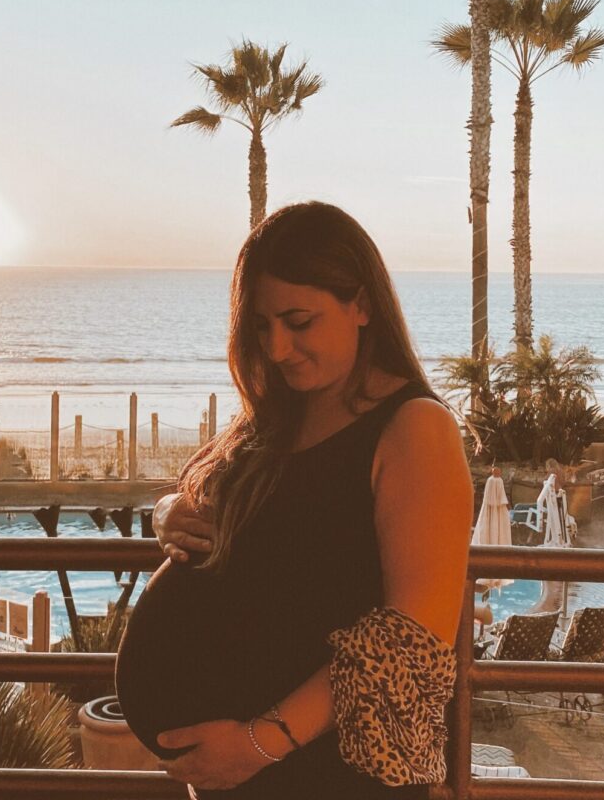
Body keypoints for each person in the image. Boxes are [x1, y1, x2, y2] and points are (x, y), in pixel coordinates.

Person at [115, 202, 473, 799]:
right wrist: (168, 513)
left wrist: (257, 744)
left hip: (326, 775)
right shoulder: (278, 419)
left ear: (361, 305)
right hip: (248, 773)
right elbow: (239, 521)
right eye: (261, 325)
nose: (278, 348)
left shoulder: (415, 429)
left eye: (299, 320)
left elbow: (411, 638)